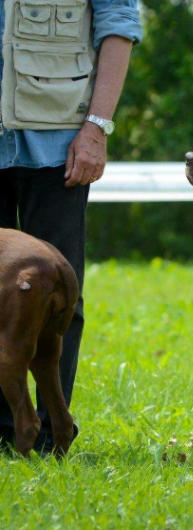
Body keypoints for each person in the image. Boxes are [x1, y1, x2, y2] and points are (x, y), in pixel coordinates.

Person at [0, 0, 142, 454]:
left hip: (62, 137)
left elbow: (118, 25)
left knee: (61, 293)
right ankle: (5, 429)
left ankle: (46, 434)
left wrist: (96, 128)